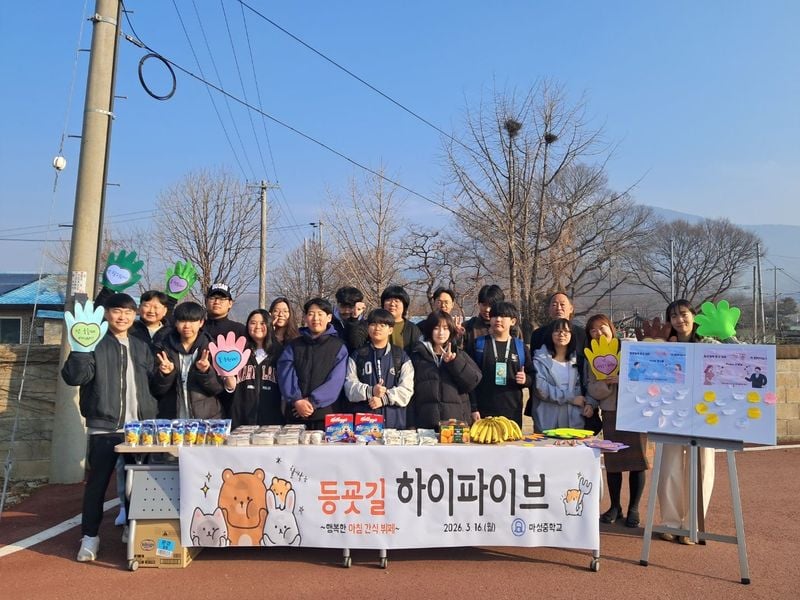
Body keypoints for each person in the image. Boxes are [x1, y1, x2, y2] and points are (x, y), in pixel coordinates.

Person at [61, 293, 158, 563]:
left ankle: (132, 528)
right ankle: (90, 537)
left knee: (135, 483)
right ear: (106, 313)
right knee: (97, 485)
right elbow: (75, 377)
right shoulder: (93, 341)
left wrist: (166, 373)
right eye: (117, 311)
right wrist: (80, 350)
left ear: (134, 315)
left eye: (128, 312)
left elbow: (154, 384)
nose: (123, 316)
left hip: (139, 428)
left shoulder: (141, 346)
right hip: (104, 427)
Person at [656, 298, 739, 545]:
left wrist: (728, 336)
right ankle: (671, 523)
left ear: (694, 315)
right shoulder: (665, 347)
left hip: (705, 416)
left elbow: (742, 357)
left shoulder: (709, 343)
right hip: (671, 416)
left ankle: (693, 524)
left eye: (683, 314)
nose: (679, 320)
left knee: (702, 468)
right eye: (673, 316)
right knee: (669, 468)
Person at [584, 314, 650, 528]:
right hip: (610, 412)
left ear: (611, 328)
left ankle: (633, 508)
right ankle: (615, 506)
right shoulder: (591, 356)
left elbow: (647, 377)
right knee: (614, 462)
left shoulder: (630, 349)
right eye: (593, 331)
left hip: (635, 411)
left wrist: (622, 379)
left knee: (637, 461)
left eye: (602, 328)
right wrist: (606, 384)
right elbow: (591, 387)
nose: (598, 333)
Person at [277, 298, 348, 430]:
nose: (315, 318)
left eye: (320, 314)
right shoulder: (293, 345)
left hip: (327, 415)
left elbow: (336, 381)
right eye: (311, 314)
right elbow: (285, 374)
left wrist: (312, 402)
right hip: (295, 413)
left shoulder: (338, 346)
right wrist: (297, 400)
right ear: (305, 317)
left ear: (329, 317)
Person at [528, 291, 595, 431]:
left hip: (576, 411)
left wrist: (589, 402)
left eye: (563, 304)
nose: (558, 307)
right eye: (554, 304)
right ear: (548, 309)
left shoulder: (582, 334)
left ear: (571, 308)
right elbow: (538, 383)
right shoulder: (538, 336)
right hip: (546, 411)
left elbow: (587, 376)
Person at [152, 302, 225, 420]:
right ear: (176, 323)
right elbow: (156, 390)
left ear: (201, 323)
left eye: (192, 321)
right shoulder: (163, 349)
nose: (187, 326)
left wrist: (206, 372)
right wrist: (166, 375)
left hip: (206, 420)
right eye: (182, 321)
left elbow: (217, 389)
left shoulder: (212, 348)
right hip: (172, 420)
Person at [410, 310, 482, 429]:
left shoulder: (459, 354)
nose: (441, 332)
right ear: (429, 330)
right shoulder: (416, 356)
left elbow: (472, 382)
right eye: (436, 328)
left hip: (456, 425)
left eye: (445, 328)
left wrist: (454, 363)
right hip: (425, 425)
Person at [343, 308, 414, 429]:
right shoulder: (357, 355)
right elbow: (349, 387)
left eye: (383, 325)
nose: (377, 328)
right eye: (373, 324)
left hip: (394, 424)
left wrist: (384, 399)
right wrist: (370, 391)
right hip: (364, 425)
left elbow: (407, 390)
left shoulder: (401, 356)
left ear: (390, 330)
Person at [470, 301, 531, 427]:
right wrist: (473, 407)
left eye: (503, 316)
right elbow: (470, 379)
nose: (498, 319)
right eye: (495, 316)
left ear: (513, 321)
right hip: (483, 411)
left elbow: (532, 375)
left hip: (512, 411)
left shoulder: (520, 347)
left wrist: (526, 380)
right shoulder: (479, 345)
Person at [224, 309, 284, 429]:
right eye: (253, 323)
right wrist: (228, 378)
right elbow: (229, 386)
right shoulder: (238, 351)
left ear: (269, 325)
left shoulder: (280, 352)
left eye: (262, 323)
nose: (257, 327)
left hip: (272, 419)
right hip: (241, 418)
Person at [463, 284, 505, 356]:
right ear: (479, 304)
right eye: (484, 305)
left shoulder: (509, 327)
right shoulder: (468, 327)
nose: (487, 309)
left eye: (491, 305)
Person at [380, 284, 422, 354]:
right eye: (388, 300)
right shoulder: (374, 325)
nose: (392, 304)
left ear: (404, 305)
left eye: (396, 301)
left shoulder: (412, 329)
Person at [332, 286, 369, 351]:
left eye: (351, 307)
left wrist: (354, 319)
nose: (346, 311)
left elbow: (356, 345)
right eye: (343, 306)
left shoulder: (365, 324)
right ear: (337, 304)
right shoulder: (328, 322)